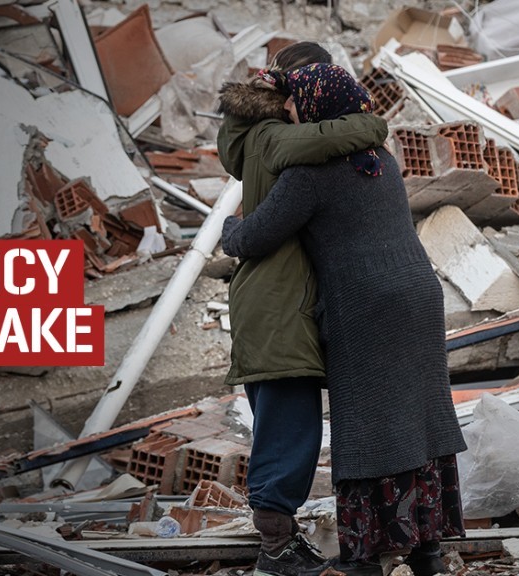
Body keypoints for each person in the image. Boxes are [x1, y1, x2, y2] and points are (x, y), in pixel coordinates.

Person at [220, 63, 468, 576]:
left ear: (314, 107)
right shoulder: (383, 159)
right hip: (420, 297)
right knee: (420, 421)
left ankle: (365, 559)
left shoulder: (310, 175)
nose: (287, 110)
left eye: (293, 101)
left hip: (366, 306)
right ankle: (428, 552)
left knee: (365, 430)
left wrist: (229, 225)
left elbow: (254, 238)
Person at [216, 43, 390, 576]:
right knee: (289, 431)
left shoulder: (250, 137)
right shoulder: (272, 139)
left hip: (274, 301)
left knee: (287, 426)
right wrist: (373, 125)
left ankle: (281, 547)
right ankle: (275, 552)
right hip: (277, 305)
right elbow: (334, 135)